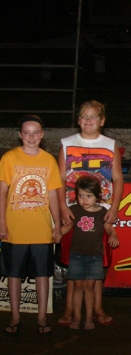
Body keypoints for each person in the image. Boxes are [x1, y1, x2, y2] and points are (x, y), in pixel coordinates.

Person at [57, 100, 124, 327]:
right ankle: (69, 310)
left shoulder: (110, 144)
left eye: (93, 117)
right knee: (72, 264)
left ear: (102, 121)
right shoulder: (66, 144)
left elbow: (117, 178)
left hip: (101, 213)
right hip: (72, 213)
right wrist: (64, 208)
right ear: (78, 120)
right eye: (84, 116)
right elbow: (58, 180)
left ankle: (97, 308)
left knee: (97, 264)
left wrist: (113, 208)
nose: (88, 120)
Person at [0, 115, 62, 335]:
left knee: (42, 275)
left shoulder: (48, 160)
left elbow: (54, 194)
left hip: (41, 229)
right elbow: (2, 192)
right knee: (14, 275)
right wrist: (1, 222)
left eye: (36, 132)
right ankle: (15, 317)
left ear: (42, 134)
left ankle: (42, 317)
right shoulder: (9, 158)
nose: (31, 137)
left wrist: (57, 225)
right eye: (26, 132)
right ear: (20, 135)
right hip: (15, 229)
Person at [57, 176, 119, 330]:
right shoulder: (74, 210)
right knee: (78, 287)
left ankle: (89, 318)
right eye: (81, 196)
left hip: (95, 256)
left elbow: (109, 227)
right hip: (76, 255)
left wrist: (114, 235)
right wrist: (57, 234)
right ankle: (77, 317)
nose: (84, 200)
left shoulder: (103, 212)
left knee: (90, 288)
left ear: (98, 196)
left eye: (89, 196)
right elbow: (66, 228)